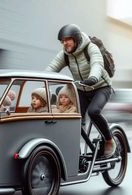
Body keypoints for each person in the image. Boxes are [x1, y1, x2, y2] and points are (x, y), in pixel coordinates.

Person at [46, 24, 116, 158]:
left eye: (67, 39)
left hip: (100, 87)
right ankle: (75, 153)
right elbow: (52, 67)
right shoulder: (65, 54)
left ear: (76, 39)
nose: (65, 43)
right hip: (82, 90)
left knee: (93, 112)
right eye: (62, 41)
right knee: (73, 117)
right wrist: (39, 79)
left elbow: (97, 64)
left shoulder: (90, 48)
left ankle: (109, 140)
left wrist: (93, 77)